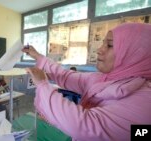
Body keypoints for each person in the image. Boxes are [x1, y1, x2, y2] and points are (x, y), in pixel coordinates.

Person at [21, 23, 151, 141]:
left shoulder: (144, 103)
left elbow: (83, 126)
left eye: (109, 45)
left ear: (135, 54)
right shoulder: (102, 79)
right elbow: (65, 76)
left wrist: (43, 85)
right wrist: (37, 56)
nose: (99, 49)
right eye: (103, 43)